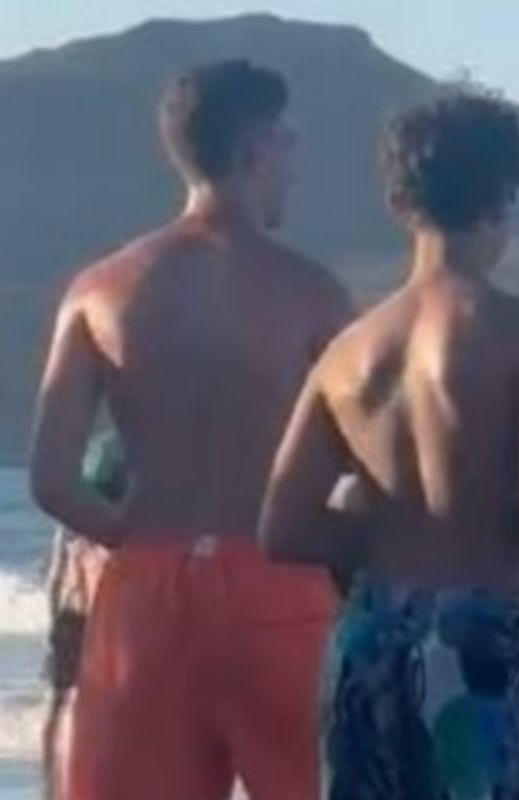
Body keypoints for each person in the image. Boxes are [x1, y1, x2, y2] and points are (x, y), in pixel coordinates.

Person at [29, 60, 351, 800]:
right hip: (276, 585)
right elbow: (377, 460)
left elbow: (50, 479)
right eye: (288, 144)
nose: (296, 165)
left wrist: (131, 537)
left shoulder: (100, 289)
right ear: (252, 150)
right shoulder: (311, 293)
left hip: (145, 591)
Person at [258, 92, 519, 800]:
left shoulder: (347, 352)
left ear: (399, 203)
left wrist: (388, 532)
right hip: (487, 636)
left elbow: (282, 527)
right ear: (503, 197)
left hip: (373, 635)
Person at [42, 430, 123, 800]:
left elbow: (63, 546)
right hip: (94, 603)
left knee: (64, 699)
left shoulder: (111, 450)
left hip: (85, 602)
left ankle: (56, 787)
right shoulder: (116, 452)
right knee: (71, 699)